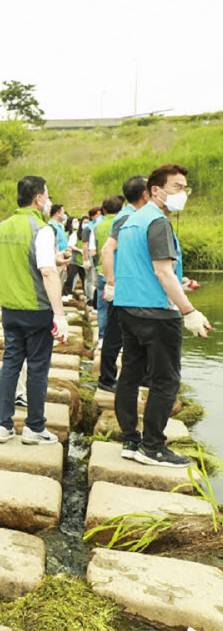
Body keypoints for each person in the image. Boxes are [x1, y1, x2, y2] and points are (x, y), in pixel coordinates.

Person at [111, 164, 212, 466]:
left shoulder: (130, 221)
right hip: (156, 313)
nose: (183, 194)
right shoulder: (158, 222)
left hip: (128, 308)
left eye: (185, 188)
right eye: (177, 187)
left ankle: (130, 440)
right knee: (166, 380)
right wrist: (189, 311)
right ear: (156, 191)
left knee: (129, 374)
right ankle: (153, 446)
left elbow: (142, 267)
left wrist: (176, 283)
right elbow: (162, 270)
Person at [0, 176, 70, 445]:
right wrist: (60, 314)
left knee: (10, 364)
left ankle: (2, 425)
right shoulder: (42, 229)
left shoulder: (2, 227)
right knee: (38, 368)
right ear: (39, 198)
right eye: (48, 195)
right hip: (37, 310)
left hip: (10, 309)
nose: (49, 200)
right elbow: (47, 272)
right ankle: (34, 427)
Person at [98, 176, 148, 393]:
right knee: (114, 336)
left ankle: (141, 377)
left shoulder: (137, 216)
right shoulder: (126, 218)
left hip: (134, 289)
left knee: (136, 335)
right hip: (122, 289)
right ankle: (107, 379)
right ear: (145, 194)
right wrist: (111, 282)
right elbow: (107, 250)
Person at [91, 194, 125, 345]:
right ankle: (120, 341)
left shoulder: (97, 226)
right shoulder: (125, 223)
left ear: (104, 210)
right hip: (121, 273)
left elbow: (93, 251)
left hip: (101, 271)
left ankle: (102, 338)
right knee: (121, 310)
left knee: (103, 308)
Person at [62, 215, 88, 298]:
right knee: (71, 277)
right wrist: (79, 250)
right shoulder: (75, 234)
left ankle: (86, 294)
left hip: (83, 260)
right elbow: (70, 245)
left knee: (85, 278)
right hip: (75, 259)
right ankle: (66, 293)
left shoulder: (89, 232)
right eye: (84, 222)